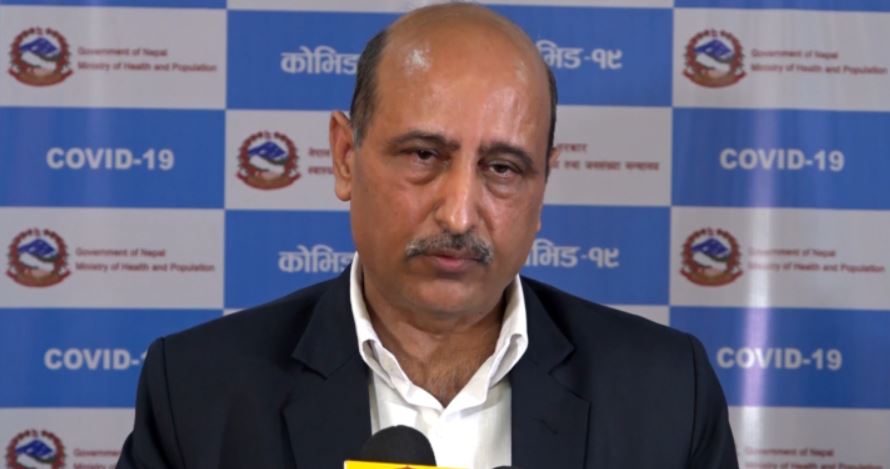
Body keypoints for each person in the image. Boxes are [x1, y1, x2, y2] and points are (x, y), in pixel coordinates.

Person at [117, 3, 738, 468]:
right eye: (423, 155)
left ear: (543, 186)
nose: (459, 215)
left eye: (503, 169)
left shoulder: (666, 394)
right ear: (344, 157)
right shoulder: (199, 391)